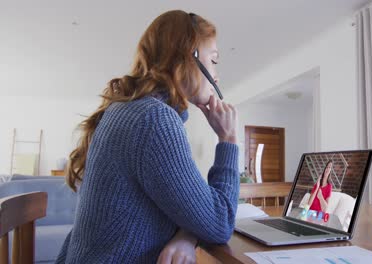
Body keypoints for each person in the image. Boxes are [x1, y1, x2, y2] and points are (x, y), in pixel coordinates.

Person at [56, 10, 239, 264]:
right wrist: (228, 139)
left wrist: (187, 234)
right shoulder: (155, 121)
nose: (216, 75)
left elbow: (188, 206)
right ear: (189, 56)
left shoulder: (130, 110)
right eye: (214, 60)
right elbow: (220, 223)